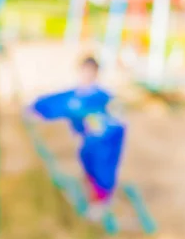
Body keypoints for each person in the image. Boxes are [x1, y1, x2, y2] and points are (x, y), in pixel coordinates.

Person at [27, 56, 126, 221]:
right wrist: (34, 110)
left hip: (105, 138)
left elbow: (116, 117)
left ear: (96, 73)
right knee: (88, 164)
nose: (87, 75)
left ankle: (100, 202)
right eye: (84, 71)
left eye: (91, 72)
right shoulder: (74, 95)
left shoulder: (102, 96)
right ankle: (96, 198)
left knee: (102, 167)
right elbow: (53, 103)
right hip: (89, 139)